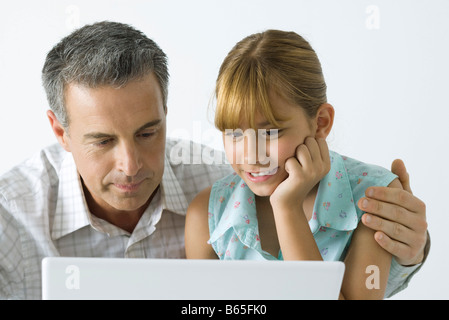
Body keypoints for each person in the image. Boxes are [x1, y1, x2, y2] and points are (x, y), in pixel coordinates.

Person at [0, 22, 428, 300]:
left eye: (148, 133)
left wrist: (415, 248)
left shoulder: (224, 179)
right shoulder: (10, 218)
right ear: (61, 133)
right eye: (102, 140)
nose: (130, 164)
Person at [185, 30, 430, 299]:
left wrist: (287, 208)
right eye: (234, 134)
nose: (251, 156)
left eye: (270, 132)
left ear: (321, 122)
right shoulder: (209, 214)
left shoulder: (371, 199)